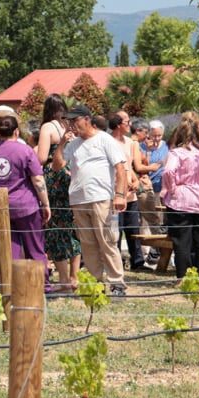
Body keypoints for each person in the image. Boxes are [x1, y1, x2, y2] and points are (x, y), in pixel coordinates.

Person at [63, 104, 130, 295]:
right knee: (88, 244)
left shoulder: (104, 139)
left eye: (74, 121)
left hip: (102, 198)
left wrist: (119, 195)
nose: (72, 125)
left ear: (86, 119)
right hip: (78, 199)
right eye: (69, 121)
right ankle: (96, 283)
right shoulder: (73, 144)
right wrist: (61, 142)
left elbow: (120, 169)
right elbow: (59, 165)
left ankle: (117, 283)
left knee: (107, 241)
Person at [0, 106, 49, 265]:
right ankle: (42, 286)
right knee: (35, 249)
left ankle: (11, 286)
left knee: (8, 251)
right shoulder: (26, 151)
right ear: (16, 131)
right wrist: (45, 204)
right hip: (26, 206)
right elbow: (38, 179)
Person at [161, 114, 199, 284]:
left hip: (182, 200)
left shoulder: (177, 153)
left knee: (182, 241)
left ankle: (183, 277)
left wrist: (172, 188)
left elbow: (168, 171)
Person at [36, 95, 80, 291]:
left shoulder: (48, 128)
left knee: (56, 230)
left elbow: (41, 158)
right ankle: (74, 277)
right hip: (72, 176)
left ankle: (63, 280)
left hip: (54, 181)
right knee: (72, 228)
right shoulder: (71, 126)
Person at [108, 111, 144, 271]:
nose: (130, 125)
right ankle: (117, 262)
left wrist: (136, 181)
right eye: (127, 122)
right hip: (115, 196)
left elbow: (130, 167)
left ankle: (138, 261)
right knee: (116, 231)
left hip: (131, 196)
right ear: (118, 125)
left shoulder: (130, 143)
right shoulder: (107, 142)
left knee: (133, 229)